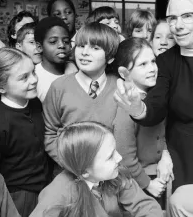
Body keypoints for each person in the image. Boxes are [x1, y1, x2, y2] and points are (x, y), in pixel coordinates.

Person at [114, 0, 193, 190]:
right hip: (184, 153)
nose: (178, 25)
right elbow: (157, 104)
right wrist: (140, 109)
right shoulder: (166, 61)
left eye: (187, 16)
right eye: (172, 18)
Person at [11, 122, 163, 217]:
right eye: (110, 156)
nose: (119, 158)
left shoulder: (116, 174)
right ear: (84, 171)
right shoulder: (58, 193)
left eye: (115, 150)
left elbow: (148, 209)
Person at [43, 22, 131, 172]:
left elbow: (127, 138)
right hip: (70, 173)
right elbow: (50, 134)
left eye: (95, 48)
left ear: (109, 58)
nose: (84, 52)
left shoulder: (120, 87)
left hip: (109, 174)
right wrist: (73, 166)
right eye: (81, 45)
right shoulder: (59, 87)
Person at [0, 47, 51, 217]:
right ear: (0, 87)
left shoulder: (34, 103)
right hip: (19, 198)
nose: (34, 80)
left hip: (46, 188)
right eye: (24, 78)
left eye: (33, 73)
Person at [112, 37, 173, 197]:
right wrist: (148, 184)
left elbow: (162, 132)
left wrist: (165, 155)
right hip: (134, 185)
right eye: (143, 65)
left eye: (153, 61)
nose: (152, 68)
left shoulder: (155, 98)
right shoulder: (127, 106)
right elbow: (125, 156)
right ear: (124, 72)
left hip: (157, 176)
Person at [34, 17, 71, 102]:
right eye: (53, 42)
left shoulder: (76, 71)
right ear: (39, 47)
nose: (62, 45)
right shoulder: (33, 77)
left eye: (66, 41)